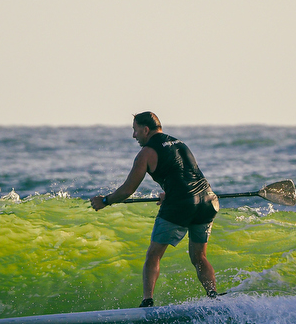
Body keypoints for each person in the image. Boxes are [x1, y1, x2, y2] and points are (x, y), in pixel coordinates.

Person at [90, 111, 220, 307]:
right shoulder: (180, 143)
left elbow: (128, 189)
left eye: (135, 130)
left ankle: (147, 301)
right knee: (199, 256)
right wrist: (170, 193)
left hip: (181, 204)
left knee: (153, 255)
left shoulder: (146, 153)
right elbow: (186, 177)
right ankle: (213, 296)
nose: (134, 135)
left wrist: (106, 200)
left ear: (146, 129)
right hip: (208, 201)